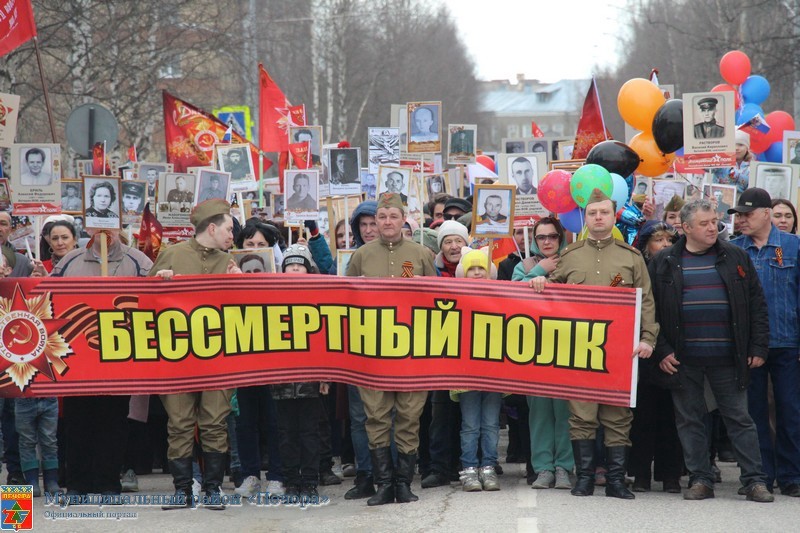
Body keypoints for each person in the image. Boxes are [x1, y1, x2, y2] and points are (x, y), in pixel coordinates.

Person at [529, 188, 658, 500]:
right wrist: (540, 281)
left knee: (618, 418)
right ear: (584, 218)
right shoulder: (570, 257)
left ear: (613, 216)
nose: (598, 218)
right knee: (581, 416)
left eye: (603, 212)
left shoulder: (632, 258)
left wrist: (648, 338)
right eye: (592, 213)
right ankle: (584, 479)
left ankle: (615, 481)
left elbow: (647, 303)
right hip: (580, 352)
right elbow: (551, 297)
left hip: (620, 353)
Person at [648, 198, 773, 503]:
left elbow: (756, 304)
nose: (712, 227)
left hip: (729, 357)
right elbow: (651, 312)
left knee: (739, 419)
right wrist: (661, 350)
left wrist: (758, 345)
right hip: (683, 358)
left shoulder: (736, 256)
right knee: (690, 420)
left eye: (714, 221)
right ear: (686, 228)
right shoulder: (664, 261)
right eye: (703, 223)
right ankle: (700, 478)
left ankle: (754, 480)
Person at [150, 199, 242, 510]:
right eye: (229, 229)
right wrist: (158, 283)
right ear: (213, 228)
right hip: (176, 357)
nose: (233, 235)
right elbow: (141, 301)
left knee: (215, 421)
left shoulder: (229, 262)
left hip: (218, 358)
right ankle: (182, 490)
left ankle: (213, 489)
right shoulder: (173, 254)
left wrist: (242, 283)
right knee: (179, 423)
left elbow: (245, 308)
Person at [346, 193, 436, 506]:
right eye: (381, 216)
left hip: (413, 352)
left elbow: (438, 302)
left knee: (410, 417)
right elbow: (346, 302)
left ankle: (403, 484)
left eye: (392, 216)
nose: (386, 222)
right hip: (373, 353)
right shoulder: (361, 256)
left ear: (403, 219)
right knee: (376, 417)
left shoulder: (421, 254)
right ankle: (383, 484)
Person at [52, 229, 153, 497]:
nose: (104, 231)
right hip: (77, 361)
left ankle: (108, 483)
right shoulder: (69, 262)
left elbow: (156, 299)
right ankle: (77, 484)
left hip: (118, 360)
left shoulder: (138, 262)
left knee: (114, 422)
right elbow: (46, 298)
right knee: (77, 422)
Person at [730, 188, 800, 497]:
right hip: (749, 347)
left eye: (747, 214)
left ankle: (791, 475)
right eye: (738, 215)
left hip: (788, 342)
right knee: (753, 413)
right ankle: (761, 476)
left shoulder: (794, 247)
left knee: (790, 410)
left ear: (765, 214)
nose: (742, 220)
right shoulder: (732, 250)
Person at [512, 217, 573, 491]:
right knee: (539, 413)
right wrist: (538, 269)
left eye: (552, 236)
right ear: (534, 240)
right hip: (533, 350)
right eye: (541, 237)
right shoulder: (522, 266)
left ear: (561, 238)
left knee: (564, 411)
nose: (547, 241)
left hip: (567, 348)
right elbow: (510, 296)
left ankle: (564, 468)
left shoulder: (573, 263)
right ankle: (544, 469)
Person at [627, 221, 684, 494]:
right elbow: (644, 312)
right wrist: (658, 349)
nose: (664, 245)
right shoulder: (640, 268)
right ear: (646, 244)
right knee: (643, 418)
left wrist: (669, 351)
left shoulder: (680, 266)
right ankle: (640, 474)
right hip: (645, 352)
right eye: (658, 240)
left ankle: (670, 474)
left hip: (676, 353)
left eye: (668, 240)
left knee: (672, 417)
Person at [272, 244, 328, 501]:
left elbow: (328, 341)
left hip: (310, 382)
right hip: (281, 382)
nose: (294, 269)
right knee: (285, 435)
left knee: (309, 433)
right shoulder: (273, 302)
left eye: (300, 265)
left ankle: (310, 480)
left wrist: (326, 376)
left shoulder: (319, 299)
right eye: (290, 266)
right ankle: (291, 480)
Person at [451, 247, 502, 492]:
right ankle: (469, 469)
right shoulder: (455, 296)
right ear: (463, 273)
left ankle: (489, 467)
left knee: (491, 424)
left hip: (494, 372)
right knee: (470, 425)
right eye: (472, 268)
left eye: (482, 267)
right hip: (465, 373)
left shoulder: (502, 296)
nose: (477, 272)